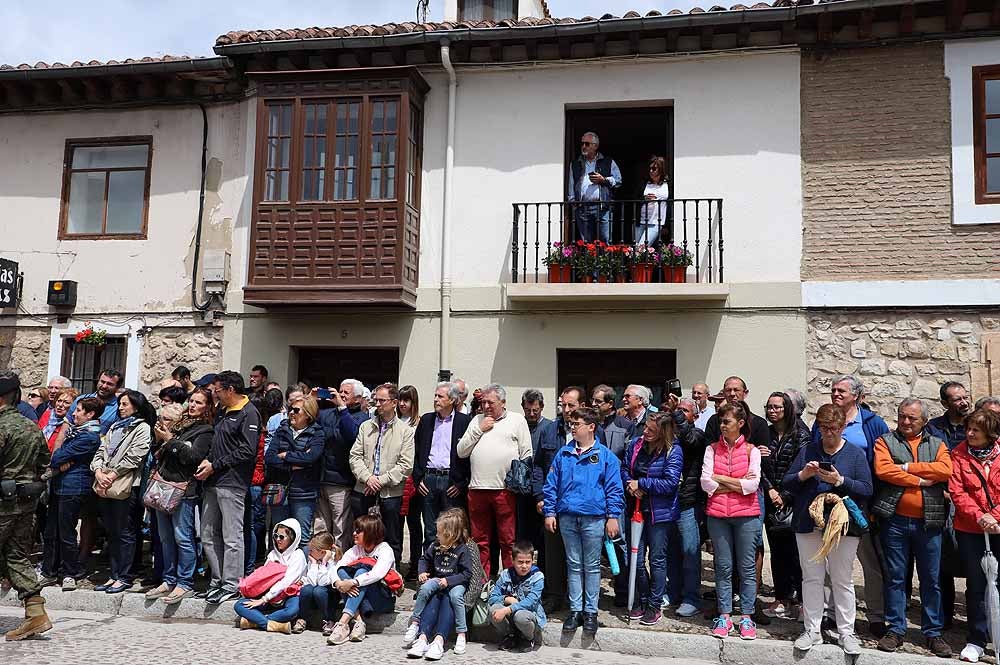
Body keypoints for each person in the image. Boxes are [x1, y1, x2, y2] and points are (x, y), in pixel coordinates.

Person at [783, 403, 872, 656]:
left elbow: (867, 489)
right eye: (824, 428)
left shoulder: (854, 454)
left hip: (843, 526)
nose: (829, 433)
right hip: (808, 522)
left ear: (843, 427)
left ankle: (846, 632)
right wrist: (804, 474)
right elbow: (788, 482)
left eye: (833, 428)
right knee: (811, 578)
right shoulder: (808, 450)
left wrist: (839, 481)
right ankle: (812, 629)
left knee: (842, 579)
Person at [809, 374, 890, 637]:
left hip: (860, 501)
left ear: (856, 395)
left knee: (869, 562)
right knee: (831, 562)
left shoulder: (872, 423)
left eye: (841, 391)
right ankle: (830, 614)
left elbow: (881, 461)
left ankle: (876, 615)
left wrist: (875, 502)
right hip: (827, 502)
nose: (835, 394)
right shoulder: (822, 420)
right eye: (833, 390)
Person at [873, 398, 953, 657]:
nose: (905, 421)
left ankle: (933, 632)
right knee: (895, 577)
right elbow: (884, 470)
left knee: (931, 579)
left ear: (924, 421)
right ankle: (896, 629)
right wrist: (920, 480)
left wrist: (906, 467)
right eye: (902, 416)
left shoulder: (937, 443)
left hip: (929, 522)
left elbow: (945, 470)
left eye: (912, 418)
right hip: (895, 521)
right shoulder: (885, 441)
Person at [543, 406, 624, 637]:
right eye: (571, 424)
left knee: (591, 566)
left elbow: (614, 489)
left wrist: (612, 516)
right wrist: (550, 512)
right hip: (568, 516)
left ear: (591, 427)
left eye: (577, 424)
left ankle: (591, 612)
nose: (572, 428)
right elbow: (551, 485)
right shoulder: (564, 454)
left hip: (594, 518)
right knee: (574, 565)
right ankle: (576, 610)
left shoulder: (605, 456)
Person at [196, 370, 261, 604]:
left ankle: (232, 584)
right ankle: (217, 580)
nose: (215, 395)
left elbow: (247, 450)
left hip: (233, 482)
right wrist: (207, 462)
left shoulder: (248, 412)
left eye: (218, 391)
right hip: (213, 481)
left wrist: (215, 465)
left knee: (232, 536)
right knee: (208, 534)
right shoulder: (223, 411)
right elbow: (217, 443)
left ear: (230, 390)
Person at [144, 386, 214, 604]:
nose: (192, 405)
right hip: (163, 485)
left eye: (199, 402)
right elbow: (160, 452)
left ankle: (185, 583)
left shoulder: (205, 431)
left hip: (184, 489)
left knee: (182, 537)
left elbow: (193, 457)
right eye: (191, 401)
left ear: (207, 407)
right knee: (165, 538)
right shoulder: (180, 426)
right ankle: (169, 579)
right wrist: (161, 439)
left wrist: (169, 441)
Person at [701, 401, 762, 640]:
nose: (722, 425)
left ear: (741, 423)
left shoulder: (751, 451)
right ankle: (724, 615)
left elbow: (752, 485)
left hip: (746, 516)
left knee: (746, 568)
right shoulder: (711, 449)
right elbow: (706, 483)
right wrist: (737, 483)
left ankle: (746, 616)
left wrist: (720, 479)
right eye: (721, 421)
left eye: (727, 421)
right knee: (723, 567)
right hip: (718, 516)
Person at [458, 383, 533, 578]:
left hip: (504, 490)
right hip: (477, 489)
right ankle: (481, 580)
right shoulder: (477, 420)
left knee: (508, 540)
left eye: (490, 403)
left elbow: (526, 453)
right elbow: (461, 451)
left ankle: (510, 579)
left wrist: (518, 481)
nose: (486, 406)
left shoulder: (517, 420)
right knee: (479, 540)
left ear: (503, 402)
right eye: (483, 402)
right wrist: (479, 429)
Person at [0, 370, 53, 641]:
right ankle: (35, 614)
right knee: (16, 555)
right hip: (26, 504)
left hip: (2, 505)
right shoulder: (31, 426)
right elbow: (45, 464)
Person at [947, 408, 1000, 663]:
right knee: (977, 584)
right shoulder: (958, 454)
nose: (969, 433)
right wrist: (980, 517)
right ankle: (977, 639)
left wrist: (995, 516)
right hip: (971, 529)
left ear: (990, 433)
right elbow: (957, 492)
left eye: (976, 430)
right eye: (968, 428)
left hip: (998, 527)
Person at [90, 389, 155, 594]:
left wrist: (112, 474)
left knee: (125, 531)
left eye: (125, 404)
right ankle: (114, 573)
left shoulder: (142, 427)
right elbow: (101, 451)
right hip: (106, 482)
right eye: (120, 404)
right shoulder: (115, 426)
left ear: (136, 406)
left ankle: (125, 576)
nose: (121, 408)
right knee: (112, 532)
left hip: (126, 485)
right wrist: (98, 471)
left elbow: (135, 456)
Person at [622, 412, 683, 625]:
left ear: (662, 433)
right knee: (636, 560)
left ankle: (654, 605)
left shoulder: (673, 451)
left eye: (651, 430)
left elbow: (670, 483)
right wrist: (631, 485)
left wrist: (642, 484)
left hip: (660, 514)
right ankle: (642, 598)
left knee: (657, 560)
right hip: (635, 510)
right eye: (645, 427)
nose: (645, 432)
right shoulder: (636, 445)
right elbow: (624, 468)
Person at [348, 383, 415, 565]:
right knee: (361, 534)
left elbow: (405, 465)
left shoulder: (405, 431)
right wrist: (368, 478)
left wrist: (380, 481)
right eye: (375, 400)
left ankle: (391, 573)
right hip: (364, 489)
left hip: (391, 493)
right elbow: (355, 456)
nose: (377, 404)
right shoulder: (366, 427)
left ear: (394, 402)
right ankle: (361, 567)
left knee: (392, 536)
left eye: (382, 400)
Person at [39, 396, 101, 590]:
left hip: (73, 487)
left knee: (66, 532)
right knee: (51, 532)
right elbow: (57, 455)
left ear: (90, 414)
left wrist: (60, 459)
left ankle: (69, 572)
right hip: (60, 486)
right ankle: (49, 571)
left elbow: (57, 457)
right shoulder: (76, 432)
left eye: (79, 410)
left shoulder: (89, 436)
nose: (73, 414)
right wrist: (61, 459)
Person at [760, 391, 809, 619]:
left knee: (796, 554)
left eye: (777, 407)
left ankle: (801, 601)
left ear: (788, 409)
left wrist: (786, 495)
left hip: (794, 501)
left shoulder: (801, 434)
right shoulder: (766, 433)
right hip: (771, 498)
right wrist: (770, 489)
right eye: (769, 407)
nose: (772, 411)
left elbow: (803, 469)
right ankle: (781, 598)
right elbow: (758, 465)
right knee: (777, 552)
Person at [403, 509, 474, 659]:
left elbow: (468, 574)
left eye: (439, 532)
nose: (436, 535)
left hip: (455, 582)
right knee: (425, 588)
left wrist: (449, 581)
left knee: (455, 597)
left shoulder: (464, 549)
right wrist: (422, 572)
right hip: (438, 579)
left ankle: (461, 632)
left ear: (450, 534)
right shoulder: (435, 545)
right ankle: (416, 624)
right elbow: (424, 559)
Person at [414, 383, 472, 548]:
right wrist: (418, 479)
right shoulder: (427, 420)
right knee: (430, 529)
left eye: (440, 396)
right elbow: (416, 451)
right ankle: (430, 562)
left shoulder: (464, 421)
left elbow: (469, 455)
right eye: (435, 395)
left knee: (452, 528)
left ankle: (452, 562)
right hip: (429, 479)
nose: (435, 399)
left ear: (452, 400)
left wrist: (461, 483)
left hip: (451, 482)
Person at [327, 513, 399, 646]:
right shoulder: (356, 549)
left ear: (371, 533)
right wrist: (339, 583)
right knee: (342, 571)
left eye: (359, 531)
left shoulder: (384, 549)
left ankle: (343, 623)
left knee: (361, 572)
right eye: (355, 530)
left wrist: (352, 582)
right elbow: (335, 569)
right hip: (362, 598)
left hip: (381, 599)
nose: (354, 533)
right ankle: (359, 622)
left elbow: (377, 574)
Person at [265, 394, 325, 547]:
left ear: (308, 414)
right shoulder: (282, 429)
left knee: (301, 537)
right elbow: (270, 457)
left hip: (304, 491)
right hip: (280, 490)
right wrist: (292, 465)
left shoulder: (317, 432)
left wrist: (286, 455)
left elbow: (311, 458)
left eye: (296, 410)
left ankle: (300, 564)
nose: (291, 413)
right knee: (278, 536)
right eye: (290, 409)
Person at [667, 397, 708, 617]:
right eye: (678, 410)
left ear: (695, 416)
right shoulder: (668, 434)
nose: (680, 414)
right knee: (671, 552)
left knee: (690, 552)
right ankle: (673, 593)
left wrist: (675, 413)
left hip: (688, 503)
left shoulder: (697, 434)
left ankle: (691, 598)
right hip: (666, 502)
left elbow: (690, 440)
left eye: (685, 411)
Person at [235, 518, 307, 633]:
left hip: (288, 595)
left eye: (282, 537)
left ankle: (255, 621)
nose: (278, 539)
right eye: (275, 536)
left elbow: (286, 581)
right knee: (239, 605)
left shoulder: (298, 555)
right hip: (270, 595)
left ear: (292, 538)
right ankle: (274, 625)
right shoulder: (272, 554)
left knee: (291, 611)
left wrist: (264, 599)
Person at [313, 385, 361, 552]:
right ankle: (319, 559)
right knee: (320, 526)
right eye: (340, 391)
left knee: (340, 527)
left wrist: (342, 408)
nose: (341, 395)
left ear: (358, 398)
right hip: (322, 477)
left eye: (346, 393)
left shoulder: (361, 417)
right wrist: (311, 399)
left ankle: (338, 560)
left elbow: (351, 435)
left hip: (341, 481)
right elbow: (311, 426)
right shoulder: (326, 414)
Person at [489, 540, 547, 652]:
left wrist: (507, 609)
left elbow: (530, 601)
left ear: (532, 561)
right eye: (520, 562)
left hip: (529, 614)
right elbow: (493, 597)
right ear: (513, 560)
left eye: (528, 562)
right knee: (493, 610)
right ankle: (510, 635)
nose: (524, 566)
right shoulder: (505, 575)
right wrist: (507, 599)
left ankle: (528, 638)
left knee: (521, 617)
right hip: (510, 614)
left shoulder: (538, 577)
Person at [567, 130, 621, 242]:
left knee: (605, 240)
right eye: (582, 143)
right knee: (586, 242)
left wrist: (603, 180)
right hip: (583, 208)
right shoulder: (575, 164)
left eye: (587, 144)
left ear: (595, 146)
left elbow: (618, 180)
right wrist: (573, 203)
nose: (583, 146)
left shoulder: (608, 161)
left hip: (602, 207)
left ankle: (604, 255)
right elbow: (571, 183)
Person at [398, 385, 424, 578]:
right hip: (396, 479)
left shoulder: (419, 424)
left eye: (406, 400)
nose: (402, 404)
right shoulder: (395, 422)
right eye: (400, 400)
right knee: (395, 524)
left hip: (413, 480)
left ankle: (416, 564)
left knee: (414, 524)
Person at [293, 532, 339, 636]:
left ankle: (329, 619)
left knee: (319, 591)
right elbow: (311, 582)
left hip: (329, 593)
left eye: (311, 550)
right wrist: (313, 564)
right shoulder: (313, 559)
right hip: (316, 589)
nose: (309, 553)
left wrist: (323, 563)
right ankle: (302, 619)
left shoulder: (333, 562)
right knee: (306, 589)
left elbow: (323, 582)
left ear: (322, 552)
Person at [704, 377, 769, 446]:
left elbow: (762, 451)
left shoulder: (759, 423)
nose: (732, 394)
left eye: (736, 390)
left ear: (745, 393)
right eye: (728, 390)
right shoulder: (714, 421)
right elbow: (709, 448)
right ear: (724, 393)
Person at [71, 369, 123, 435]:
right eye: (102, 382)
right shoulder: (81, 400)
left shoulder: (119, 408)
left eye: (109, 384)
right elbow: (65, 427)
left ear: (117, 387)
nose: (104, 386)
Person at [635, 155, 671, 245]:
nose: (651, 171)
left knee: (642, 247)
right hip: (641, 220)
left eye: (654, 169)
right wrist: (644, 198)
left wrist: (667, 225)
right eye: (650, 168)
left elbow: (670, 205)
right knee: (636, 247)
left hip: (656, 222)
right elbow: (635, 198)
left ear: (661, 170)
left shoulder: (668, 185)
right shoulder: (644, 183)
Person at [929, 381, 972, 450]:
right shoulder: (933, 427)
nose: (965, 403)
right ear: (945, 404)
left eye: (965, 398)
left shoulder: (977, 425)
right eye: (957, 399)